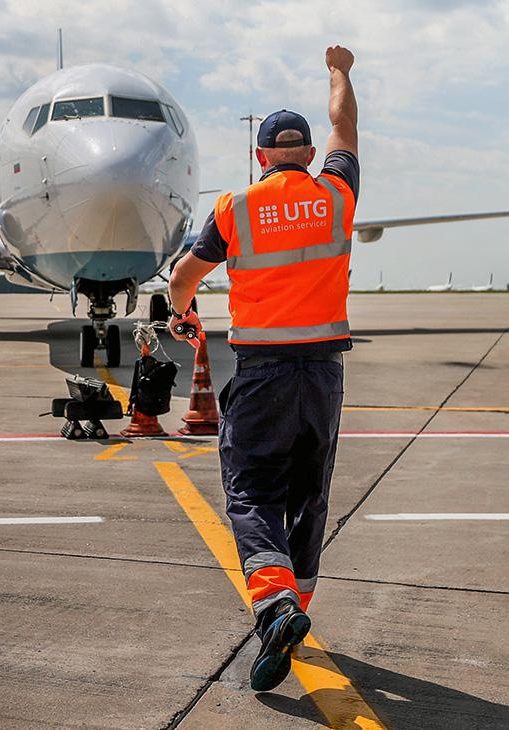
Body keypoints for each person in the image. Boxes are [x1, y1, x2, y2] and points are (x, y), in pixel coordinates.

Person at [166, 45, 359, 692]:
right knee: (310, 494)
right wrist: (340, 72)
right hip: (323, 375)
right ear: (306, 154)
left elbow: (184, 276)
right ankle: (293, 613)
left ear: (260, 156)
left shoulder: (234, 209)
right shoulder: (336, 193)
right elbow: (344, 129)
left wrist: (181, 312)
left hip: (261, 373)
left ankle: (274, 602)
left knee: (251, 488)